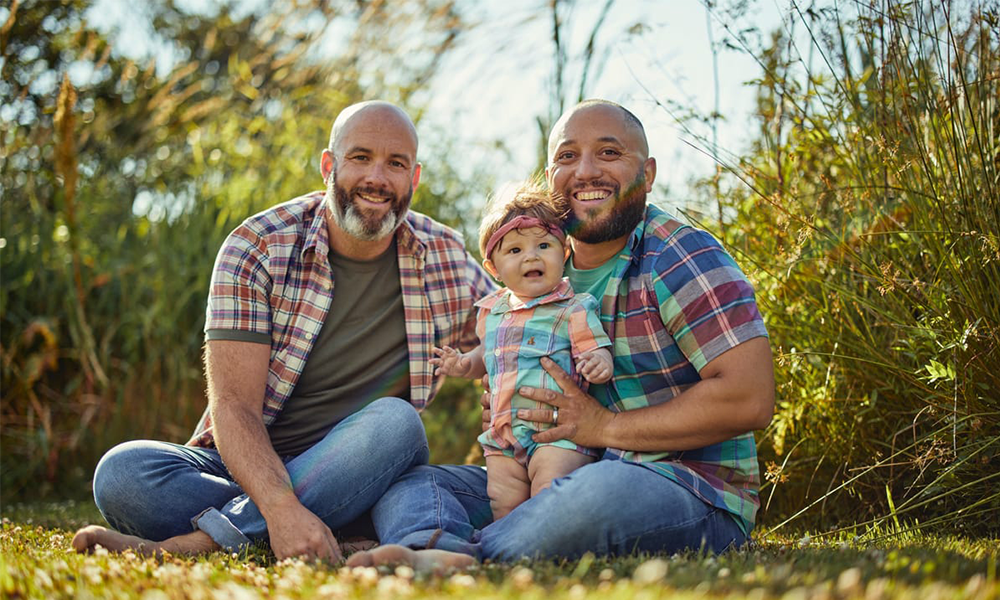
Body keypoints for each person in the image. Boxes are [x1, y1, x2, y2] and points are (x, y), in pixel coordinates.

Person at [347, 99, 775, 572]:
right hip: (550, 469)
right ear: (551, 177)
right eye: (567, 157)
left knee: (596, 492)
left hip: (681, 484)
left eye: (609, 152)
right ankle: (426, 545)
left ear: (648, 174)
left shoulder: (678, 255)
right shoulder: (538, 267)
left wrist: (601, 427)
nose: (585, 171)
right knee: (413, 483)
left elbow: (748, 398)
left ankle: (469, 557)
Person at [71, 101, 496, 561]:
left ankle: (206, 542)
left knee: (397, 423)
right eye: (360, 157)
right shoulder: (259, 245)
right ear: (328, 166)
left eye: (396, 164)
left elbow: (516, 329)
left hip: (369, 461)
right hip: (249, 467)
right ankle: (331, 524)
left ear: (414, 178)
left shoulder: (443, 256)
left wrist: (518, 397)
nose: (377, 178)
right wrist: (277, 504)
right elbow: (233, 406)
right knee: (122, 474)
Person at [431, 180, 613, 520]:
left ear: (564, 253)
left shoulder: (572, 308)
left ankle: (544, 541)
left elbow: (595, 345)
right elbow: (483, 356)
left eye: (543, 245)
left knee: (549, 493)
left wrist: (599, 361)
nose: (531, 256)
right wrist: (463, 365)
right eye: (514, 251)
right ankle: (506, 545)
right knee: (503, 501)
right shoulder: (491, 311)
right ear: (494, 268)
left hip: (557, 435)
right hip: (503, 434)